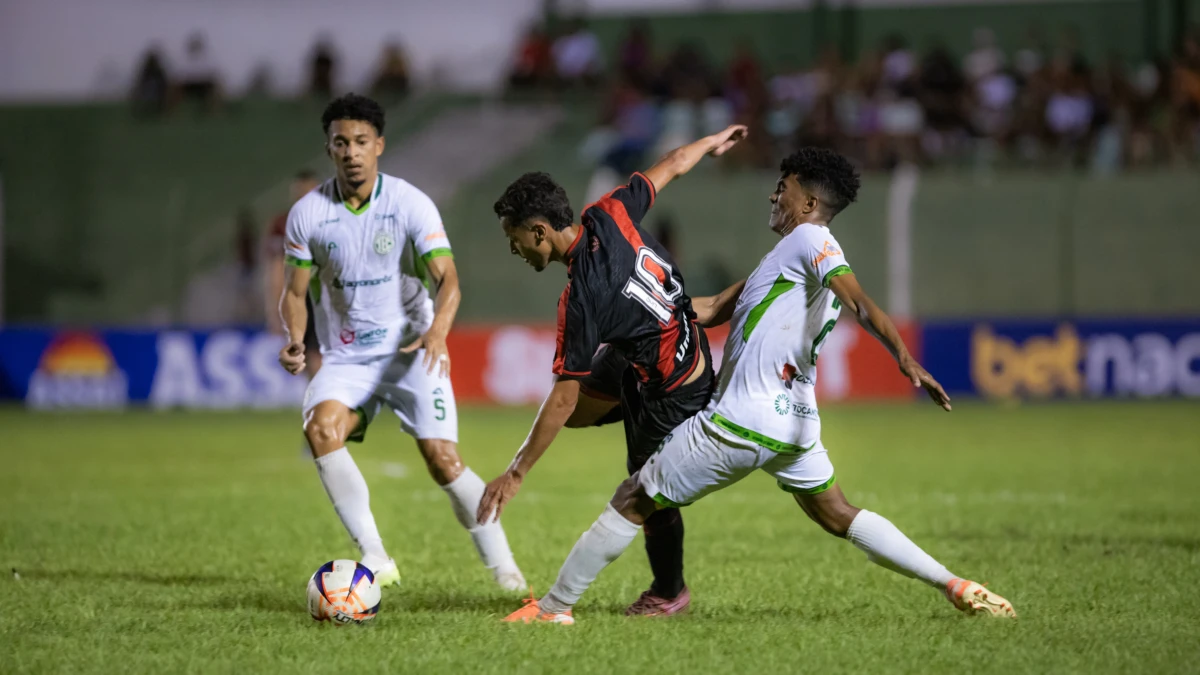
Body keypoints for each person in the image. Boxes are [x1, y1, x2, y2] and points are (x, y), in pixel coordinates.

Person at [501, 146, 1016, 624]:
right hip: (795, 424)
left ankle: (553, 609)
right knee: (838, 514)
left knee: (633, 497)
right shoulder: (783, 259)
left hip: (741, 420)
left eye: (784, 187)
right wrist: (647, 311)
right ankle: (953, 584)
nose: (774, 195)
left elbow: (859, 301)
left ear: (809, 201)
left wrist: (904, 356)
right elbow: (707, 310)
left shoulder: (812, 240)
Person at [476, 124, 749, 616]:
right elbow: (670, 165)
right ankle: (630, 400)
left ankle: (669, 593)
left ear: (539, 231)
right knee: (579, 412)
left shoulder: (581, 297)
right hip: (650, 349)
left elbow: (561, 396)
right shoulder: (608, 211)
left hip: (673, 387)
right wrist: (709, 144)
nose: (514, 250)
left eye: (515, 239)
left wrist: (515, 473)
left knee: (648, 492)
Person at [278, 94, 524, 591]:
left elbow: (449, 280)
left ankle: (505, 571)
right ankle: (374, 555)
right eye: (341, 143)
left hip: (412, 350)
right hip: (349, 356)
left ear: (379, 146)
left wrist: (437, 331)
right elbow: (295, 292)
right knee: (320, 428)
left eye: (361, 142)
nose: (352, 152)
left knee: (443, 460)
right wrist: (294, 339)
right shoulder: (307, 215)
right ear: (329, 150)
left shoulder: (409, 203)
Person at [264, 170, 322, 377]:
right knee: (304, 354)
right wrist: (274, 309)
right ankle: (321, 402)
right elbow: (277, 268)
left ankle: (325, 402)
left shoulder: (330, 219)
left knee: (317, 355)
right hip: (300, 294)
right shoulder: (283, 224)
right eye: (300, 191)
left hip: (324, 293)